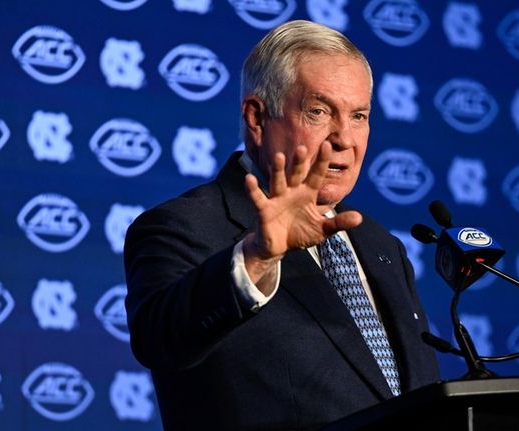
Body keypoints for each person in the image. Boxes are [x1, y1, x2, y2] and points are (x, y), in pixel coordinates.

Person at [124, 20, 440, 431]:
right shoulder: (182, 226)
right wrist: (257, 257)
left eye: (359, 115)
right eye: (319, 111)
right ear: (257, 118)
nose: (344, 137)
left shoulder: (381, 246)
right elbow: (159, 340)